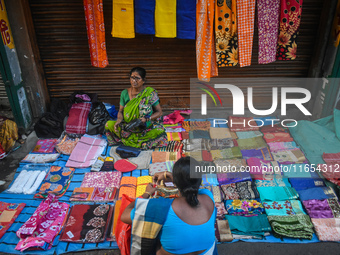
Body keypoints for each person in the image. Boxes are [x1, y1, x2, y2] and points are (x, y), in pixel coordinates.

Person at [121, 157, 217, 255]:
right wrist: (172, 176)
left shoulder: (161, 207)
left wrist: (146, 193)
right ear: (200, 180)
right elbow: (189, 188)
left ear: (175, 183)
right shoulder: (208, 196)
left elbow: (124, 216)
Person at [105, 67, 167, 150]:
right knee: (108, 124)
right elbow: (120, 111)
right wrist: (119, 120)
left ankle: (130, 141)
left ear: (143, 80)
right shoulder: (125, 93)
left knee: (160, 131)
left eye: (137, 78)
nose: (134, 81)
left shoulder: (149, 93)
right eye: (132, 78)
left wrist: (146, 118)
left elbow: (159, 112)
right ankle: (139, 142)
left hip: (144, 129)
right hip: (128, 128)